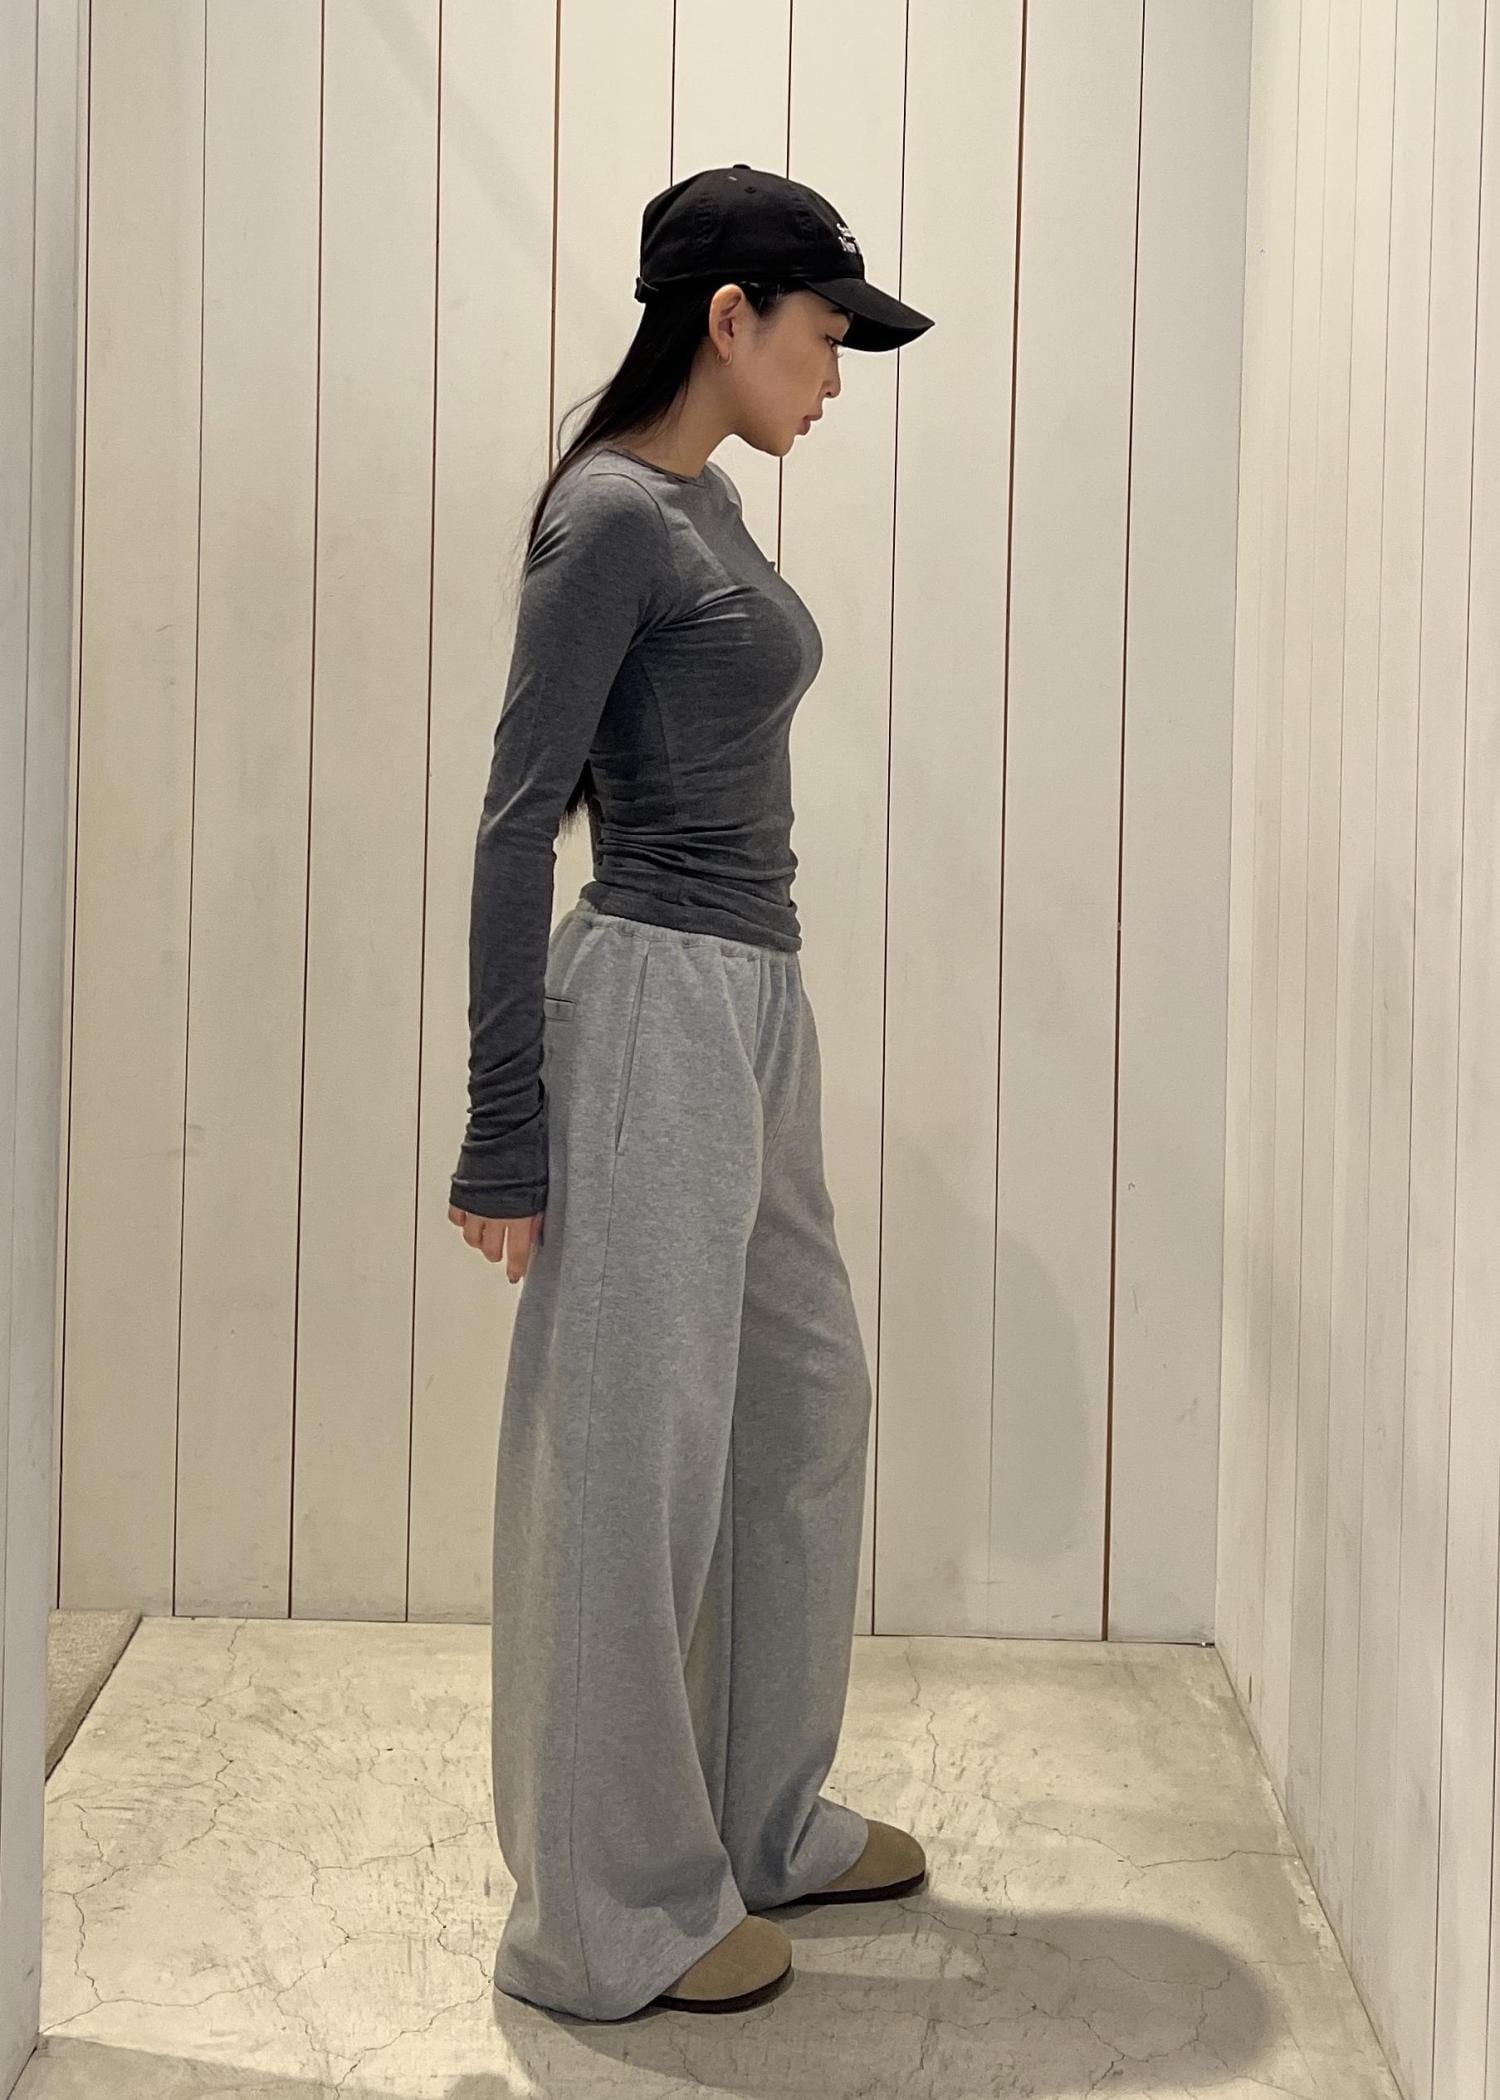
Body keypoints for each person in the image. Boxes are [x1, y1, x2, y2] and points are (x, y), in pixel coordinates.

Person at [447, 164, 936, 2022]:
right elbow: (517, 822)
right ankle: (602, 1920)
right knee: (628, 1460)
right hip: (649, 997)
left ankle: (754, 1821)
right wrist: (505, 1121)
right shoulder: (607, 521)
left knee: (801, 1403)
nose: (838, 374)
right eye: (826, 334)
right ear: (728, 318)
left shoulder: (707, 503)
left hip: (753, 1003)